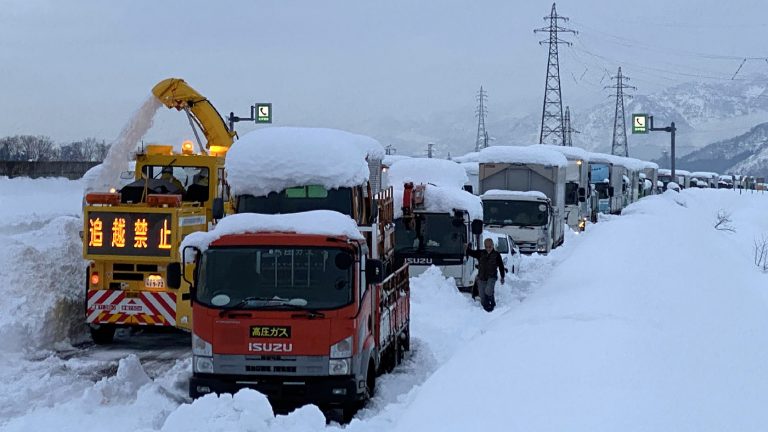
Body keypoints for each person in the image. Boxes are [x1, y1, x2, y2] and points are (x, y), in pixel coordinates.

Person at [466, 238, 505, 312]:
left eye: (490, 247)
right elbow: (472, 253)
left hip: (492, 277)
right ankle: (486, 311)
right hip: (481, 278)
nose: (488, 248)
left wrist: (502, 277)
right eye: (486, 247)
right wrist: (467, 248)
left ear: (493, 245)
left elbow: (501, 266)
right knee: (482, 297)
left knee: (488, 291)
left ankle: (493, 304)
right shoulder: (481, 253)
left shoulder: (496, 255)